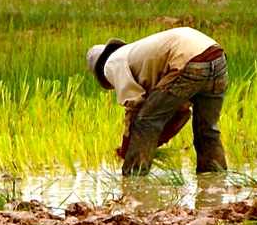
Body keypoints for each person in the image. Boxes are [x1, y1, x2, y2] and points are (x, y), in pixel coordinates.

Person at [87, 27, 228, 175]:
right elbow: (181, 113)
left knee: (143, 121)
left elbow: (135, 109)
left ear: (101, 68)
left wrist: (127, 150)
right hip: (216, 56)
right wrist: (154, 142)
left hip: (187, 58)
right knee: (206, 128)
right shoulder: (142, 60)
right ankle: (214, 181)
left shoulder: (112, 63)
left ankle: (134, 180)